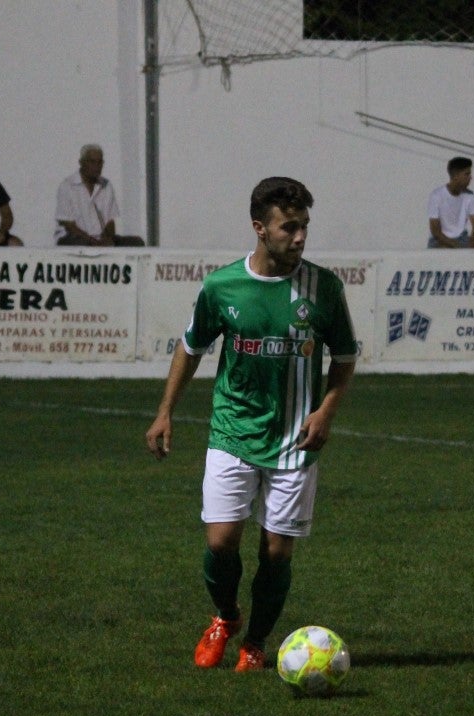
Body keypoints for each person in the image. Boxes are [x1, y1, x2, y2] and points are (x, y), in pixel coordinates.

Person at [144, 177, 358, 673]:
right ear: (260, 228)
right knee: (220, 542)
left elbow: (344, 356)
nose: (300, 237)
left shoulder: (323, 287)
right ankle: (225, 616)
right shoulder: (222, 286)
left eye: (304, 226)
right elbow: (191, 347)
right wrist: (165, 411)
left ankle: (257, 643)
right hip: (232, 429)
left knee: (276, 553)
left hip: (294, 440)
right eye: (289, 227)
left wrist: (326, 410)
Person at [55, 144, 143, 246]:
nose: (96, 166)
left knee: (136, 242)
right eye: (92, 162)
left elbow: (110, 221)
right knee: (82, 245)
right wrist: (91, 240)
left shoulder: (106, 186)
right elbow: (68, 225)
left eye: (99, 162)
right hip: (74, 237)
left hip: (99, 238)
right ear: (81, 163)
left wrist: (107, 238)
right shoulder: (67, 186)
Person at [427, 156, 474, 248]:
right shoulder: (437, 195)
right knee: (445, 252)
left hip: (462, 239)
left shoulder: (470, 196)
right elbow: (435, 231)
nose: (470, 178)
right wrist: (455, 246)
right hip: (440, 241)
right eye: (467, 174)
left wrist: (471, 244)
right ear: (456, 176)